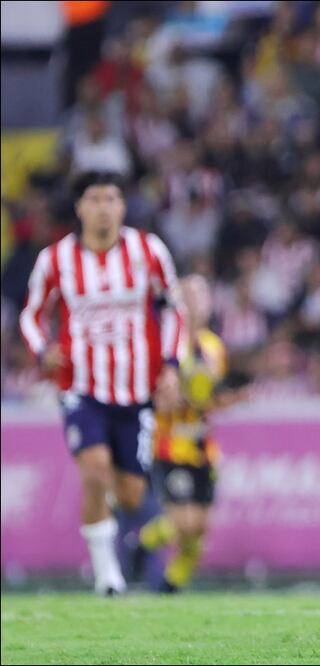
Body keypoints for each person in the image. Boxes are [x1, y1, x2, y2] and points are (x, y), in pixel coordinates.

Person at [18, 170, 183, 595]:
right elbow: (31, 315)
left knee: (129, 492)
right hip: (82, 386)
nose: (103, 206)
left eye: (111, 198)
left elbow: (173, 309)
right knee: (93, 470)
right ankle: (108, 575)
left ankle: (109, 522)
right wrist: (43, 350)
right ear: (79, 207)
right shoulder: (55, 260)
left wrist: (169, 365)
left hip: (136, 389)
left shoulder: (148, 250)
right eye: (94, 198)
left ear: (122, 205)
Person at [135, 274, 243, 593]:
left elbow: (208, 401)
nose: (198, 301)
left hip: (201, 444)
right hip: (170, 444)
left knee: (200, 528)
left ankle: (170, 586)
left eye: (203, 295)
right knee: (183, 523)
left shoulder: (213, 347)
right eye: (190, 294)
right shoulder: (166, 344)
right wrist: (175, 397)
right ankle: (142, 544)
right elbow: (154, 396)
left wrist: (229, 399)